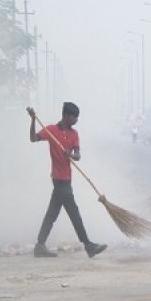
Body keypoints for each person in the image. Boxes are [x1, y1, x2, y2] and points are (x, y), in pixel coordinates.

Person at [27, 103, 108, 258]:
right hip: (59, 180)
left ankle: (39, 245)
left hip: (67, 179)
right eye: (74, 116)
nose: (76, 119)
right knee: (74, 214)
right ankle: (88, 245)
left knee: (52, 214)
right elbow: (33, 139)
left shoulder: (74, 134)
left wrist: (70, 155)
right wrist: (33, 120)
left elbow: (78, 155)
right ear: (66, 115)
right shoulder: (51, 130)